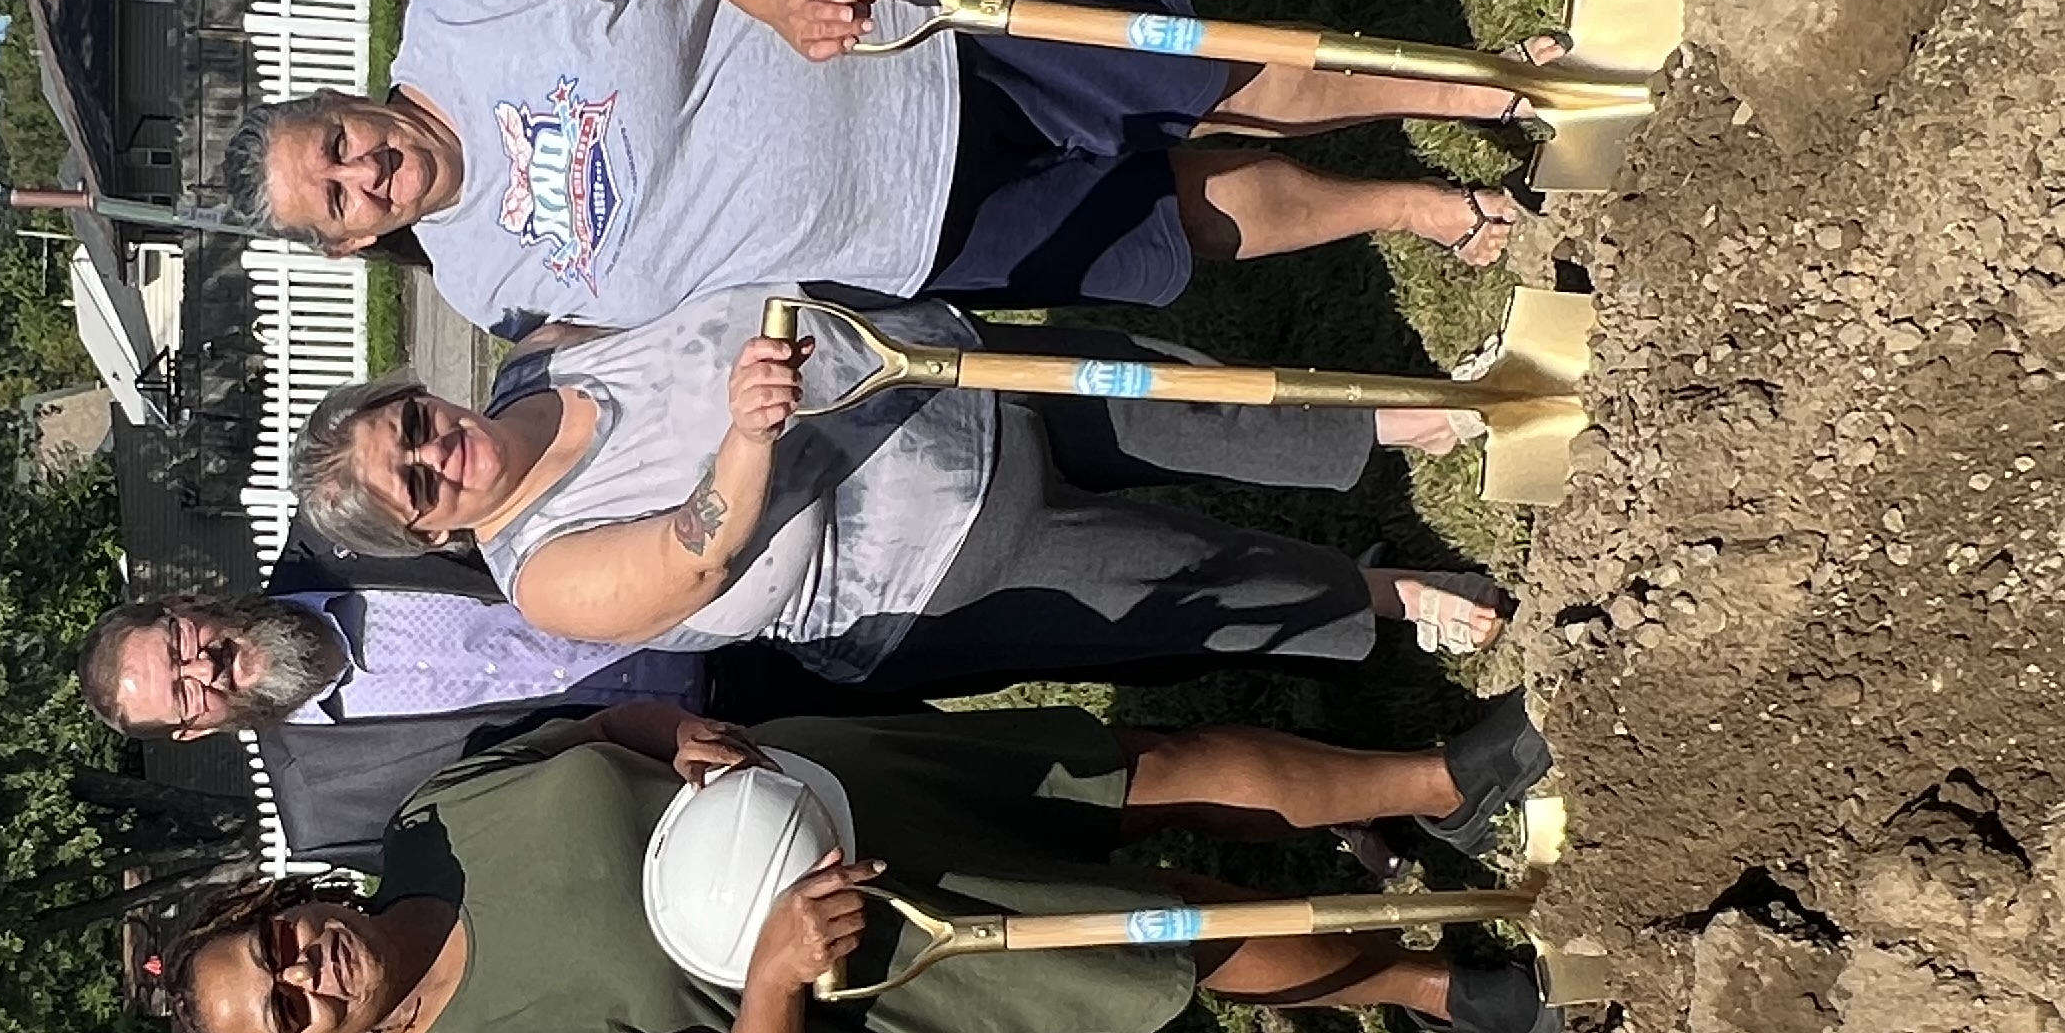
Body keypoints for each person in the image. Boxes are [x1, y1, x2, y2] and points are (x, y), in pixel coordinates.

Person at [153, 701, 1564, 1033]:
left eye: (274, 949)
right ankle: (1440, 985)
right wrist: (776, 973)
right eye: (288, 1011)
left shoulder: (426, 825)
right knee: (1177, 938)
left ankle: (1437, 781)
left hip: (839, 789)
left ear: (281, 904)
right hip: (882, 966)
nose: (303, 974)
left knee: (1137, 773)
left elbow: (594, 727)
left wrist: (673, 734)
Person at [231, 0, 1537, 336]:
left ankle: (1482, 91)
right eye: (337, 200)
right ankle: (1414, 208)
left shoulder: (460, 2)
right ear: (350, 244)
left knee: (1204, 71)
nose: (363, 171)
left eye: (335, 143)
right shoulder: (485, 291)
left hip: (917, 38)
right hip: (907, 240)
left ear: (342, 99)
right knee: (1175, 218)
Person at [286, 288, 1509, 689]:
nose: (437, 450)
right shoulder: (545, 577)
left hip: (940, 371)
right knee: (1195, 580)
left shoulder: (544, 357)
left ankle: (1405, 419)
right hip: (940, 557)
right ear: (427, 534)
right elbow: (692, 554)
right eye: (416, 484)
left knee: (1177, 396)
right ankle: (1390, 597)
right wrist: (747, 436)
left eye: (411, 425)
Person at [80, 571, 712, 873]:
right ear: (192, 731)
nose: (204, 667)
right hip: (700, 771)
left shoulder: (350, 534)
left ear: (182, 603)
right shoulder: (329, 819)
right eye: (183, 694)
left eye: (178, 645)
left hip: (710, 605)